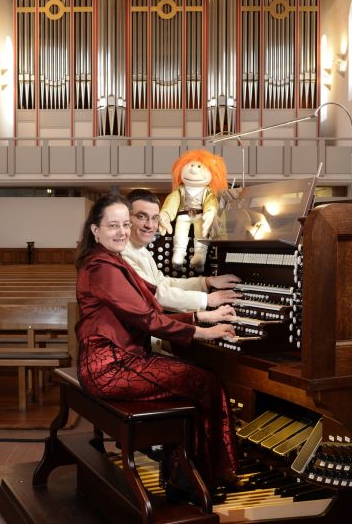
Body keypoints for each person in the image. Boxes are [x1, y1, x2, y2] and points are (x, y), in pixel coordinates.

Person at [75, 193, 239, 501]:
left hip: (123, 359)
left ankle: (189, 474)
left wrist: (203, 315)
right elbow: (148, 318)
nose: (122, 231)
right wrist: (204, 332)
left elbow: (153, 293)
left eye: (125, 224)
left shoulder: (112, 261)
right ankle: (193, 479)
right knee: (204, 381)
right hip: (110, 368)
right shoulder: (102, 268)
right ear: (95, 230)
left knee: (202, 377)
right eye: (113, 226)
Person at [122, 188, 241, 314]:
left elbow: (162, 283)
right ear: (125, 219)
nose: (150, 225)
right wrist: (207, 300)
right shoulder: (124, 253)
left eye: (155, 218)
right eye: (142, 217)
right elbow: (155, 295)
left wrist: (206, 282)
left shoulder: (140, 249)